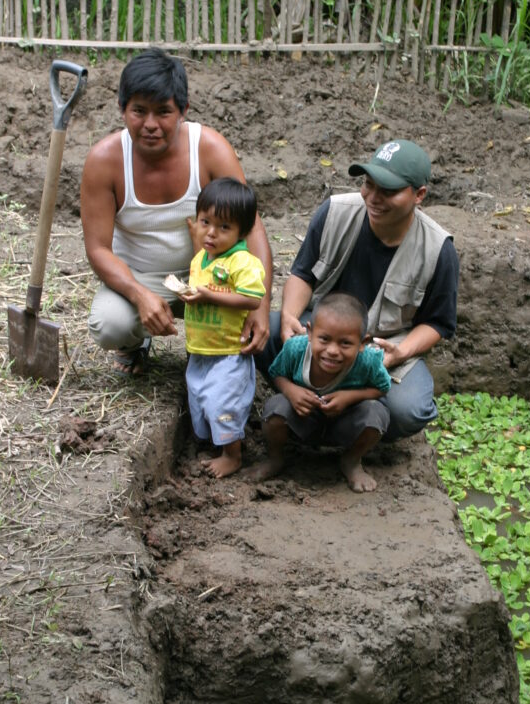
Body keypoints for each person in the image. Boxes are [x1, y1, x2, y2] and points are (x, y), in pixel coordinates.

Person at [81, 48, 272, 375]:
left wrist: (262, 305)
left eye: (163, 112)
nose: (150, 124)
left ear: (183, 110)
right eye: (139, 111)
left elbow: (252, 229)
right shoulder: (104, 161)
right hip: (142, 276)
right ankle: (134, 346)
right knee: (109, 324)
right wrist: (139, 294)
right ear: (122, 109)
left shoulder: (209, 149)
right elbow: (97, 248)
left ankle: (211, 350)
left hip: (215, 273)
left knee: (242, 318)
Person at [258, 138, 459, 441]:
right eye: (369, 184)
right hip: (324, 330)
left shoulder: (438, 249)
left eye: (388, 191)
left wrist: (399, 353)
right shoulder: (334, 212)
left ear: (419, 195)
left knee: (409, 410)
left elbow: (437, 323)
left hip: (385, 345)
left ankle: (355, 423)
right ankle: (303, 402)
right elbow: (302, 275)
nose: (373, 198)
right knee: (261, 332)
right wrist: (289, 316)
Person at [251, 293, 391, 492]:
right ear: (310, 332)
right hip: (303, 419)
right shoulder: (295, 349)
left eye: (345, 343)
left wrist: (349, 397)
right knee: (275, 408)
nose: (333, 350)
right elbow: (277, 374)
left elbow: (383, 387)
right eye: (324, 339)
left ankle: (351, 460)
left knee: (376, 415)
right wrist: (291, 391)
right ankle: (275, 458)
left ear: (362, 343)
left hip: (346, 423)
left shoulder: (368, 361)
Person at [181, 177, 266, 478]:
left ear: (242, 232)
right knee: (200, 400)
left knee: (223, 404)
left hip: (230, 353)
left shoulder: (243, 262)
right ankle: (211, 444)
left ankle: (233, 455)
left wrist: (208, 295)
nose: (211, 233)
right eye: (206, 222)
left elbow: (253, 299)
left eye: (224, 227)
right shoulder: (201, 258)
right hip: (201, 351)